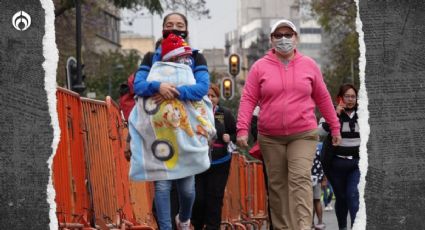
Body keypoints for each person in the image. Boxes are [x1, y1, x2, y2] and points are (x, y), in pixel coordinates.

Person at [236, 19, 342, 230]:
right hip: (270, 136)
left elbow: (322, 97)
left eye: (288, 34)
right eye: (278, 35)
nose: (283, 39)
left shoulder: (309, 65)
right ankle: (283, 227)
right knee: (277, 187)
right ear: (271, 39)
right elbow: (248, 99)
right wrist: (242, 129)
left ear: (296, 38)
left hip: (302, 133)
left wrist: (335, 126)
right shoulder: (259, 67)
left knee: (300, 178)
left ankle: (303, 226)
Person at [129, 12, 212, 230]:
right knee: (163, 187)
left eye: (179, 25)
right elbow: (137, 86)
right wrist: (157, 87)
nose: (174, 28)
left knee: (187, 189)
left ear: (187, 30)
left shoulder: (196, 58)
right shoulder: (150, 58)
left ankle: (184, 220)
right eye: (169, 25)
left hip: (186, 132)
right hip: (159, 133)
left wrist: (174, 91)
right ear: (162, 29)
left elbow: (202, 88)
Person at [191, 84, 236, 230]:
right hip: (199, 162)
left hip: (220, 162)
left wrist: (230, 137)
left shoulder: (224, 113)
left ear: (218, 98)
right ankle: (197, 225)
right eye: (207, 96)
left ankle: (212, 227)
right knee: (198, 198)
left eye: (213, 96)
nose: (210, 99)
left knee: (214, 198)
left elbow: (236, 134)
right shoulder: (196, 112)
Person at [318, 84, 360, 230]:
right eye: (347, 96)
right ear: (340, 98)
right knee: (341, 198)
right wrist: (334, 115)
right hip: (335, 165)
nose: (350, 100)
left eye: (353, 96)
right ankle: (342, 227)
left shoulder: (364, 113)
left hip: (356, 164)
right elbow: (320, 133)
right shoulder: (330, 113)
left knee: (353, 196)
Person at [311, 143, 326, 230]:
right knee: (314, 201)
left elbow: (323, 163)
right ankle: (314, 222)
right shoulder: (318, 147)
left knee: (315, 200)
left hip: (315, 177)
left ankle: (318, 222)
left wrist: (324, 178)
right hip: (312, 176)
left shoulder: (318, 147)